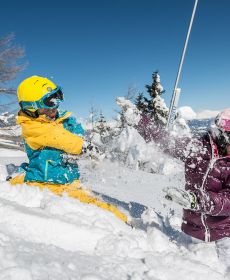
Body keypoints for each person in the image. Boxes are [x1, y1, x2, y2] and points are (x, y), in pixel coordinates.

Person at [10, 75, 127, 223]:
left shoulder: (57, 118)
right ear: (31, 107)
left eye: (57, 98)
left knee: (102, 206)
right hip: (49, 186)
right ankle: (126, 227)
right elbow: (60, 138)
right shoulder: (32, 128)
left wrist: (74, 129)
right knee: (105, 213)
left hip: (69, 182)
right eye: (50, 101)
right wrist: (86, 148)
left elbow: (76, 132)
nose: (55, 105)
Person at [137, 109, 230, 273]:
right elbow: (166, 142)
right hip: (194, 231)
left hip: (225, 233)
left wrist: (197, 201)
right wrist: (139, 120)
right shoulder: (197, 150)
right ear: (223, 137)